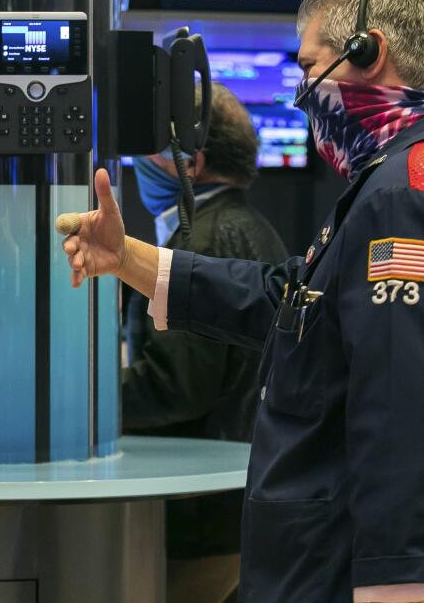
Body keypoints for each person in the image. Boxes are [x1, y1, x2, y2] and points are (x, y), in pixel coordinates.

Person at [62, 0, 424, 603]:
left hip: (339, 569)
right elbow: (290, 299)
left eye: (310, 68)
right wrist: (129, 258)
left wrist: (395, 585)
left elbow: (408, 416)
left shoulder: (406, 196)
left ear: (368, 53)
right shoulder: (412, 173)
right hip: (319, 557)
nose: (304, 92)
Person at [122, 83, 286, 603]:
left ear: (190, 161)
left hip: (200, 516)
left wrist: (80, 401)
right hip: (230, 503)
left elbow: (176, 385)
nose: (137, 161)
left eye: (149, 148)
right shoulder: (249, 226)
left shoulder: (205, 237)